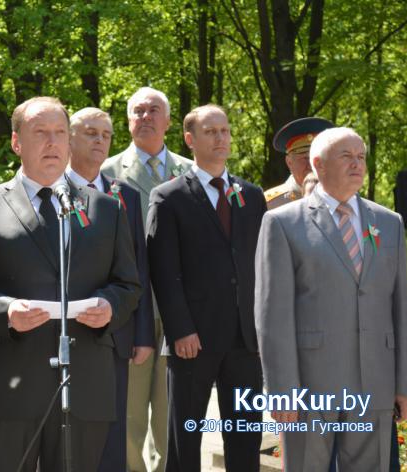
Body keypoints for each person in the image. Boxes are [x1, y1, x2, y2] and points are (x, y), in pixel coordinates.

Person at [0, 96, 141, 472]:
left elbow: (129, 285)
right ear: (17, 142)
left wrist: (110, 306)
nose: (52, 142)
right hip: (7, 391)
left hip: (84, 389)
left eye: (60, 133)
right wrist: (5, 312)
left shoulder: (105, 209)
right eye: (40, 133)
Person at [255, 127, 407, 470]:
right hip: (310, 387)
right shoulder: (282, 223)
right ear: (318, 164)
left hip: (375, 382)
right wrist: (282, 390)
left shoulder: (389, 223)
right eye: (346, 156)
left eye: (361, 157)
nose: (357, 164)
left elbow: (400, 309)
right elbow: (273, 316)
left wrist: (405, 384)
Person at [146, 104, 266, 471]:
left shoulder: (251, 195)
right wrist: (181, 329)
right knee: (185, 440)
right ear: (189, 139)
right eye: (211, 131)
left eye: (225, 131)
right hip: (192, 342)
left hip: (246, 341)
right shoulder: (169, 197)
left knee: (246, 437)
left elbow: (262, 267)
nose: (220, 138)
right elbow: (163, 271)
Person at [101, 86, 192, 472]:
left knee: (173, 411)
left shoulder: (190, 173)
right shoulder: (106, 173)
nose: (146, 117)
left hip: (180, 310)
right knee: (129, 413)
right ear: (127, 121)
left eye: (154, 110)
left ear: (169, 121)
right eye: (137, 111)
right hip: (132, 311)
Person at [67, 107, 155, 472]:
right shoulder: (53, 192)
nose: (100, 140)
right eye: (90, 133)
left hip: (116, 335)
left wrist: (144, 333)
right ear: (69, 139)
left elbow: (139, 270)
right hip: (65, 335)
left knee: (113, 437)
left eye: (105, 134)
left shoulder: (127, 196)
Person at [264, 117, 334, 209]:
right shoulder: (270, 203)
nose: (312, 165)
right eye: (305, 158)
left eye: (317, 159)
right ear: (289, 162)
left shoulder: (339, 197)